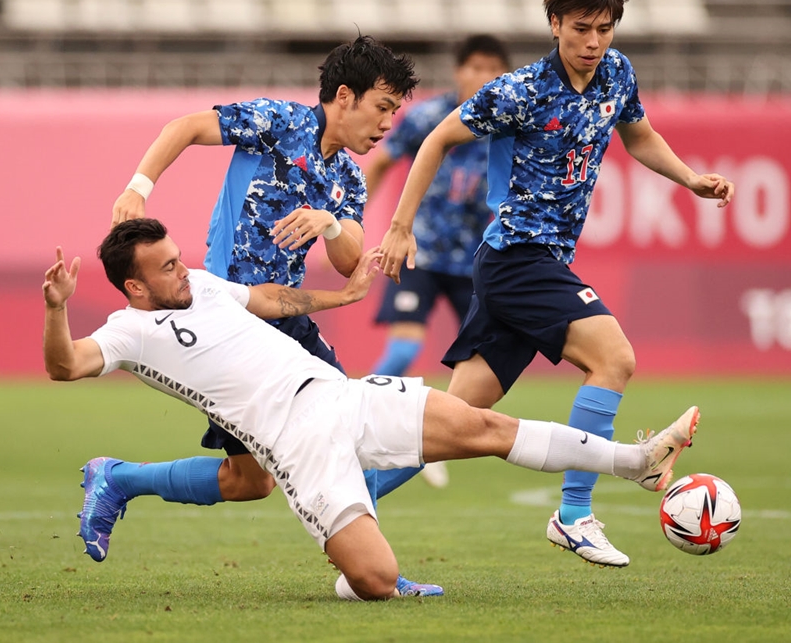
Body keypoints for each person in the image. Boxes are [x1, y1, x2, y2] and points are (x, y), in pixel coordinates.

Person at [43, 219, 700, 600]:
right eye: (166, 267)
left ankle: (635, 461)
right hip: (297, 447)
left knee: (484, 426)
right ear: (135, 285)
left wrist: (344, 294)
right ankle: (358, 568)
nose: (183, 271)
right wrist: (55, 308)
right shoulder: (126, 331)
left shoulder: (206, 286)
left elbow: (270, 300)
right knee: (376, 580)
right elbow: (64, 365)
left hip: (344, 394)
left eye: (178, 258)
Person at [378, 0, 734, 569]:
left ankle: (345, 497)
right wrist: (400, 225)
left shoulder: (617, 74)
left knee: (453, 424)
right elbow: (437, 139)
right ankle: (573, 513)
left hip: (526, 262)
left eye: (604, 29)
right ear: (553, 24)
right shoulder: (520, 91)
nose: (593, 43)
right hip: (518, 258)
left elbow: (638, 134)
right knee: (614, 357)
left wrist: (689, 180)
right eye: (580, 29)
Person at [98, 35, 435, 593]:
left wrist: (328, 223)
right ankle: (118, 478)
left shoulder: (347, 177)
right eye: (382, 108)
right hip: (227, 325)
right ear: (344, 97)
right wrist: (137, 189)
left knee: (346, 430)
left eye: (395, 112)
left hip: (286, 322)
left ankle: (366, 570)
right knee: (248, 480)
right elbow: (183, 127)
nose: (387, 124)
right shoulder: (277, 122)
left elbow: (351, 256)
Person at [364, 35, 510, 488]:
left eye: (493, 69)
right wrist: (357, 222)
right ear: (458, 71)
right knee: (405, 349)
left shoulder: (510, 127)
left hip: (476, 262)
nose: (483, 77)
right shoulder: (428, 118)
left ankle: (427, 434)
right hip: (419, 253)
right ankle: (351, 425)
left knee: (479, 371)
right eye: (475, 67)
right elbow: (381, 162)